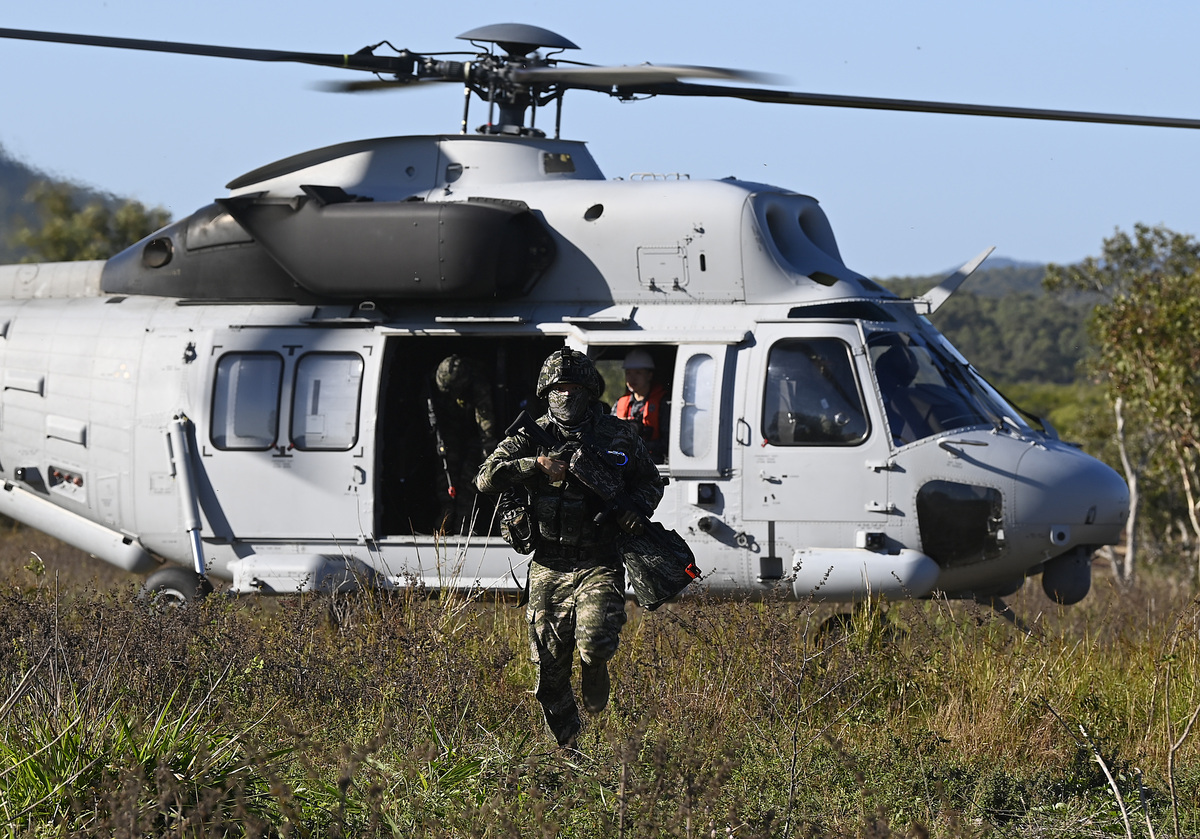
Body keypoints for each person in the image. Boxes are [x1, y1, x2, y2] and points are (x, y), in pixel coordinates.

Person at [476, 347, 663, 748]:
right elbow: (485, 477)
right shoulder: (530, 436)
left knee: (595, 642)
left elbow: (651, 481)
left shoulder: (618, 434)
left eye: (575, 386)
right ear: (546, 391)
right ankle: (570, 750)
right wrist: (534, 466)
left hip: (599, 560)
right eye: (559, 387)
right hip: (548, 564)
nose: (566, 394)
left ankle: (595, 669)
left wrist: (635, 511)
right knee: (549, 670)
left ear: (590, 390)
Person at [429, 354, 499, 535]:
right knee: (446, 478)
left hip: (473, 436)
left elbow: (486, 424)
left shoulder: (477, 385)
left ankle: (464, 527)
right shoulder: (433, 385)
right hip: (448, 433)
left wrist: (488, 455)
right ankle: (445, 522)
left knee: (469, 482)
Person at [612, 348, 668, 463]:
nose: (632, 378)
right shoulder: (620, 403)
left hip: (653, 464)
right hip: (624, 465)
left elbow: (669, 443)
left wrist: (642, 445)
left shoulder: (664, 404)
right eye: (628, 373)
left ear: (649, 375)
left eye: (638, 373)